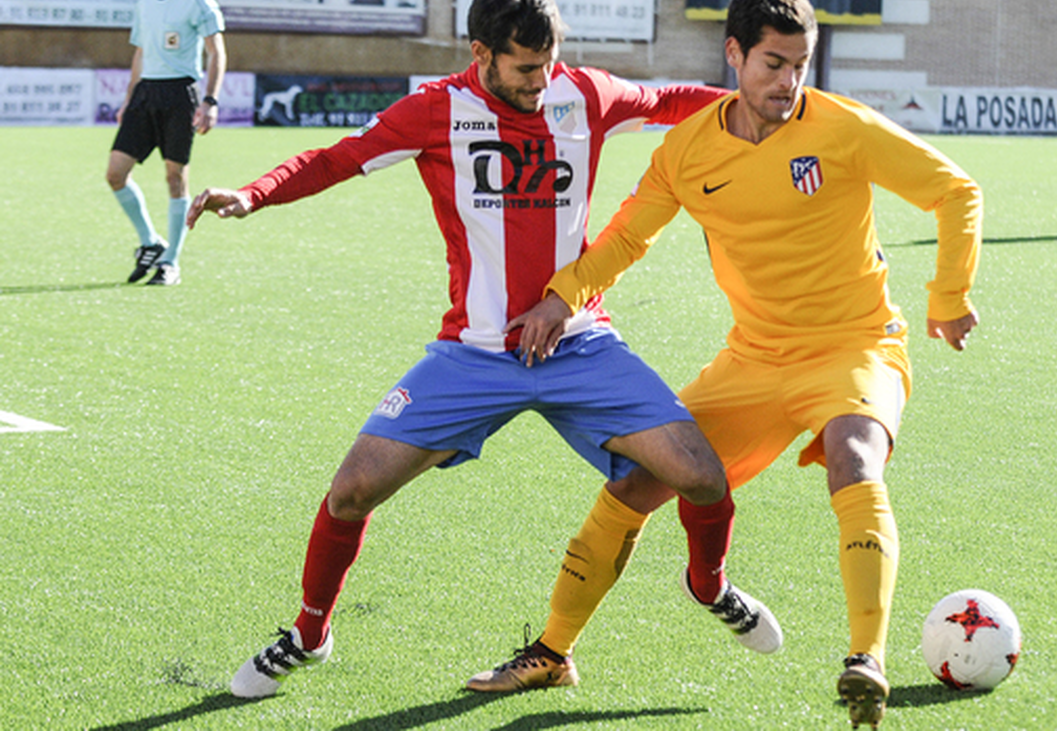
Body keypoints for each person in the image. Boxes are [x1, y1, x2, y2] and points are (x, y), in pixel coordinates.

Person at [186, 0, 781, 700]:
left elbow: (671, 101)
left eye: (548, 64)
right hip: (473, 354)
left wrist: (766, 105)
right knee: (351, 491)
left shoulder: (582, 94)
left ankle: (708, 585)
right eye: (525, 69)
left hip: (580, 343)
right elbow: (338, 158)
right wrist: (255, 194)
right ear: (480, 54)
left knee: (703, 477)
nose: (541, 82)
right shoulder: (435, 110)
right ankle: (310, 633)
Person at [496, 0, 982, 727]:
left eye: (799, 65)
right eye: (773, 63)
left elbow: (955, 190)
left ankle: (866, 660)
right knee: (634, 483)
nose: (789, 81)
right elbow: (627, 238)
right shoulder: (688, 150)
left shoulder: (842, 127)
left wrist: (949, 296)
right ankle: (552, 650)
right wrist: (562, 298)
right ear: (734, 55)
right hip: (753, 359)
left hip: (855, 345)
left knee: (855, 458)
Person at [107, 0, 226, 286]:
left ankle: (171, 262)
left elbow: (216, 51)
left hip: (180, 94)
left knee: (175, 179)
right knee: (115, 174)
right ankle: (151, 242)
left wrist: (210, 101)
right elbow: (141, 52)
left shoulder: (201, 4)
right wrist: (128, 99)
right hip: (145, 94)